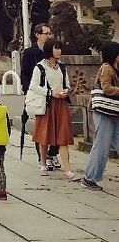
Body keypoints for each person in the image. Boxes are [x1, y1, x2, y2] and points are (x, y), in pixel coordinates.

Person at [28, 38, 79, 181]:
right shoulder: (40, 67)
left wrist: (65, 91)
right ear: (49, 50)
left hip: (61, 104)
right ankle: (43, 163)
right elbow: (33, 86)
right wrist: (50, 92)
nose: (59, 51)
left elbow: (67, 84)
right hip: (47, 104)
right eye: (56, 48)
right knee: (45, 136)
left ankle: (67, 169)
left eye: (60, 48)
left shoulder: (62, 67)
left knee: (63, 136)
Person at [21, 21, 60, 169]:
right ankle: (42, 157)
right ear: (37, 35)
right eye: (46, 33)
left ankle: (53, 153)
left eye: (50, 33)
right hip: (38, 93)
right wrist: (28, 92)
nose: (49, 36)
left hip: (54, 93)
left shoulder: (53, 52)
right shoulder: (30, 53)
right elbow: (25, 74)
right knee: (41, 127)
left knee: (56, 125)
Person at [81, 41, 119, 191]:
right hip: (104, 113)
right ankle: (89, 178)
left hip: (113, 112)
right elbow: (106, 88)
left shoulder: (115, 68)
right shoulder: (107, 68)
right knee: (101, 146)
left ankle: (90, 177)